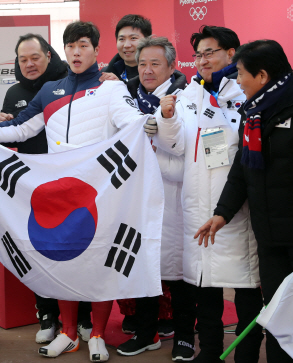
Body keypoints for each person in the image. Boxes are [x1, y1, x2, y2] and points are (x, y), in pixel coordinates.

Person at [0, 21, 156, 362]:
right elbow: (18, 128)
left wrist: (159, 118)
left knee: (102, 263)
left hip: (100, 194)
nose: (77, 52)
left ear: (95, 50)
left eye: (84, 45)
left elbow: (133, 122)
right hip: (59, 194)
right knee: (61, 261)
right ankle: (68, 332)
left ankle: (99, 334)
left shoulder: (111, 89)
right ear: (64, 50)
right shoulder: (49, 91)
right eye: (71, 46)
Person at [195, 39, 293, 363]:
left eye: (240, 74)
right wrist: (222, 214)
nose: (237, 81)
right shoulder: (253, 112)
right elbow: (241, 170)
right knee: (279, 317)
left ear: (262, 76)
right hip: (268, 237)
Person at [153, 25, 264, 363]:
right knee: (206, 287)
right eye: (198, 54)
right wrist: (168, 118)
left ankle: (246, 354)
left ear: (232, 54)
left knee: (245, 286)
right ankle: (211, 351)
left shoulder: (246, 92)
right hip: (197, 205)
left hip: (235, 209)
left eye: (209, 52)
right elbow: (178, 146)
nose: (202, 60)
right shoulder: (190, 94)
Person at [115, 35, 197, 362]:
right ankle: (146, 332)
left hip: (172, 202)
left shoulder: (186, 100)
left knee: (177, 276)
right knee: (143, 269)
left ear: (171, 66)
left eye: (155, 64)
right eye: (143, 63)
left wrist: (146, 153)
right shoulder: (126, 99)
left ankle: (185, 338)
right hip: (135, 200)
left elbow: (184, 163)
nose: (147, 70)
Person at [104, 14, 152, 83]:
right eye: (121, 39)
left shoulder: (160, 75)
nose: (126, 45)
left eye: (133, 38)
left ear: (148, 40)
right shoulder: (106, 76)